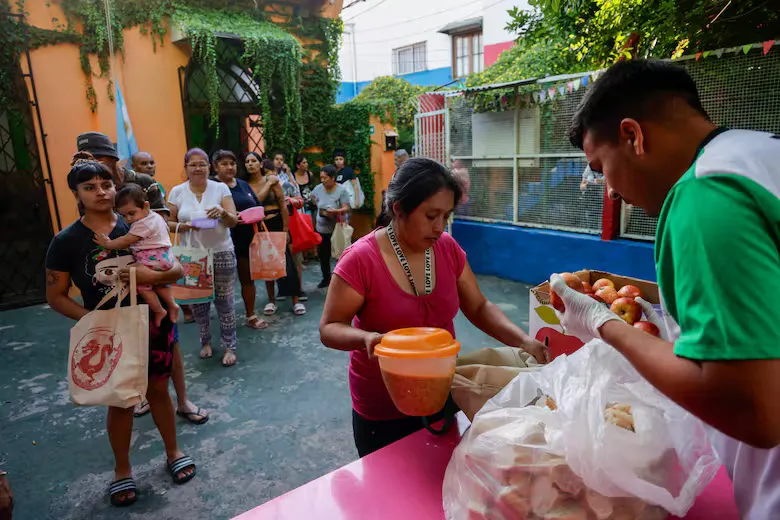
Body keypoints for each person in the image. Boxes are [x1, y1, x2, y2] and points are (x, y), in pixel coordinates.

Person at [550, 59, 780, 520]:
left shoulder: (706, 198)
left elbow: (755, 410)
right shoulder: (760, 155)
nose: (609, 192)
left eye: (601, 168)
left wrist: (603, 324)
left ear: (633, 136)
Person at [320, 158, 548, 456]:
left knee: (438, 481)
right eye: (431, 216)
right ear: (399, 209)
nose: (440, 227)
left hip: (440, 393)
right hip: (382, 406)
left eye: (446, 216)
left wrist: (524, 342)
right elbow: (329, 328)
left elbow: (478, 307)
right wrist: (365, 338)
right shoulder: (361, 259)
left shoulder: (447, 248)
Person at [46, 157, 197, 507]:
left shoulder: (138, 221)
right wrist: (92, 321)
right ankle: (122, 470)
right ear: (76, 194)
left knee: (159, 390)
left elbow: (173, 267)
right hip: (108, 334)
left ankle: (174, 452)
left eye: (106, 184)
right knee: (120, 400)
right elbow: (54, 296)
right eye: (89, 187)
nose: (100, 192)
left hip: (152, 323)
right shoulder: (66, 241)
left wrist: (153, 278)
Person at [75, 134, 206, 424]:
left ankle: (182, 400)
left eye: (95, 159)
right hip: (117, 289)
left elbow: (160, 239)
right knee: (129, 346)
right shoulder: (88, 188)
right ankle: (142, 396)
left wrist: (153, 274)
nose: (92, 168)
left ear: (111, 157)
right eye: (84, 161)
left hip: (153, 271)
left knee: (170, 344)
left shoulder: (144, 183)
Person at [167, 148, 240, 367]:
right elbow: (166, 223)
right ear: (186, 168)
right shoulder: (177, 192)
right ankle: (205, 342)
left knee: (225, 302)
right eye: (193, 164)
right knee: (198, 303)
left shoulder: (220, 188)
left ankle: (230, 346)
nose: (198, 168)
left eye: (202, 164)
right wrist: (184, 226)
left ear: (210, 166)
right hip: (193, 256)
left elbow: (234, 220)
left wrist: (223, 213)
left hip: (221, 251)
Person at [93, 184, 180, 326]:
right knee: (159, 284)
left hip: (152, 258)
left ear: (146, 206)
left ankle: (159, 310)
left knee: (141, 285)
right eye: (123, 215)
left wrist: (108, 243)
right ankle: (172, 304)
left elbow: (127, 240)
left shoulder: (142, 224)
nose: (128, 219)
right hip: (165, 257)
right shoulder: (155, 217)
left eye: (131, 214)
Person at [213, 150, 269, 330]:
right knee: (221, 286)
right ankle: (223, 321)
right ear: (215, 167)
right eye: (224, 164)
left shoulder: (243, 185)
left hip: (246, 238)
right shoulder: (211, 187)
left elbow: (257, 206)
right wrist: (228, 216)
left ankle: (250, 315)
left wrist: (250, 215)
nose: (229, 167)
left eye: (232, 163)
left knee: (247, 279)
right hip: (221, 240)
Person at [244, 153, 305, 316]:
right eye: (247, 161)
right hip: (259, 226)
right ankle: (271, 300)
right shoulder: (245, 185)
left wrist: (285, 229)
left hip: (277, 222)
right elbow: (254, 202)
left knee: (287, 261)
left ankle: (296, 300)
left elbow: (282, 205)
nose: (250, 164)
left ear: (260, 164)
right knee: (266, 264)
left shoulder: (273, 181)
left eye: (254, 161)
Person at [310, 165, 350, 289]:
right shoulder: (318, 188)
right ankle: (326, 278)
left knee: (340, 254)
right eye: (321, 178)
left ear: (333, 178)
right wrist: (318, 206)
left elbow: (347, 207)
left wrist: (337, 211)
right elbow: (312, 197)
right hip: (322, 227)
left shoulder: (341, 190)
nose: (322, 180)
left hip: (337, 228)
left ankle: (342, 279)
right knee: (324, 255)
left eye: (325, 178)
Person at [376, 149, 410, 228]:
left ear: (404, 157)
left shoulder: (408, 170)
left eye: (396, 159)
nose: (394, 162)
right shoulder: (399, 170)